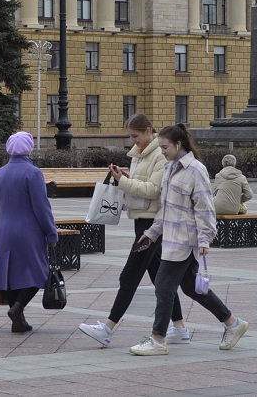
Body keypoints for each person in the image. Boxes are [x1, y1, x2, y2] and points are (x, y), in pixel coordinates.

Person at [128, 124, 249, 356]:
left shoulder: (196, 170)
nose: (161, 151)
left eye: (164, 147)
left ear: (178, 144)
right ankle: (232, 323)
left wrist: (205, 240)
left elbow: (205, 208)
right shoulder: (169, 167)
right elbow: (165, 208)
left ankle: (157, 340)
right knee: (192, 288)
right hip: (170, 238)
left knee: (164, 287)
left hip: (185, 241)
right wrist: (152, 233)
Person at [78, 114, 191, 348]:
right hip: (142, 220)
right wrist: (127, 177)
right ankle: (180, 328)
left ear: (148, 131)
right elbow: (142, 183)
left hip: (152, 224)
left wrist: (123, 182)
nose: (133, 140)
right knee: (161, 279)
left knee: (129, 276)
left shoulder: (160, 154)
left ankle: (108, 328)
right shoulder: (140, 154)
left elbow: (153, 190)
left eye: (135, 135)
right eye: (131, 136)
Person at [0, 131, 58, 333]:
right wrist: (51, 232)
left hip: (4, 230)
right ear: (29, 148)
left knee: (10, 275)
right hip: (29, 231)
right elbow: (41, 207)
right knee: (39, 272)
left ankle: (17, 319)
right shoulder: (33, 173)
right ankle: (18, 308)